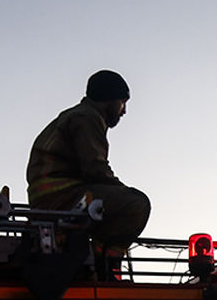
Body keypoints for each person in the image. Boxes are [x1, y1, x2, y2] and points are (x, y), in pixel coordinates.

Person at [26, 70, 151, 279]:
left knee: (117, 202)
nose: (124, 111)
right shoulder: (87, 117)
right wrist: (124, 192)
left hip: (51, 196)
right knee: (137, 204)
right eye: (122, 102)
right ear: (109, 99)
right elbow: (96, 169)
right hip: (62, 195)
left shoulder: (77, 115)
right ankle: (106, 263)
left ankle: (95, 258)